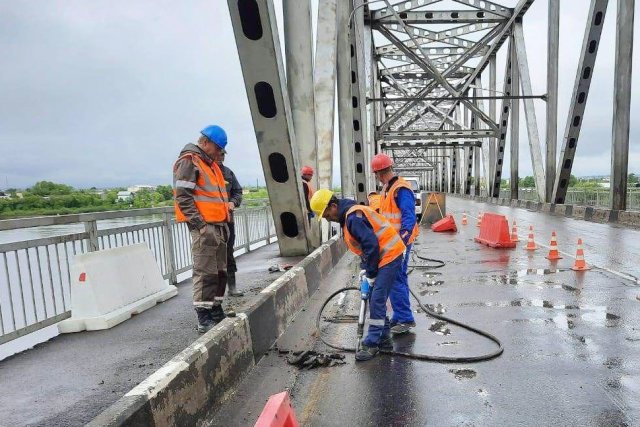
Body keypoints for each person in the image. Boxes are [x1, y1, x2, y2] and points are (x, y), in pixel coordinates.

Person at [309, 189, 405, 361]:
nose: (326, 218)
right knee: (375, 299)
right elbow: (366, 248)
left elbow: (371, 246)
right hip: (384, 257)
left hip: (389, 256)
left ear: (333, 205)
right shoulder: (348, 217)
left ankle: (372, 344)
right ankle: (384, 339)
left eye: (326, 214)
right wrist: (367, 268)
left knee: (376, 299)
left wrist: (372, 273)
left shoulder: (353, 218)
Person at [173, 125, 230, 333]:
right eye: (218, 148)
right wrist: (200, 225)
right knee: (205, 272)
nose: (219, 153)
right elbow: (183, 197)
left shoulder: (211, 164)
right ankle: (203, 316)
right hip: (205, 228)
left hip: (219, 226)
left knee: (220, 272)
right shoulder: (190, 161)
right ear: (205, 143)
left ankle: (216, 310)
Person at [371, 153, 419, 335]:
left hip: (400, 243)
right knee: (398, 278)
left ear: (379, 173)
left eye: (376, 174)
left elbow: (409, 217)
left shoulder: (400, 189)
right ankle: (400, 315)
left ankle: (406, 319)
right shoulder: (388, 188)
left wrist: (403, 242)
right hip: (392, 242)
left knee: (395, 279)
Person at [216, 150, 244, 297]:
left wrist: (233, 202)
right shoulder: (204, 171)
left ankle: (232, 287)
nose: (222, 156)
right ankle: (215, 293)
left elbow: (238, 191)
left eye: (223, 154)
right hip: (211, 223)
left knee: (228, 253)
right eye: (219, 153)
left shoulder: (228, 173)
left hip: (227, 220)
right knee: (213, 256)